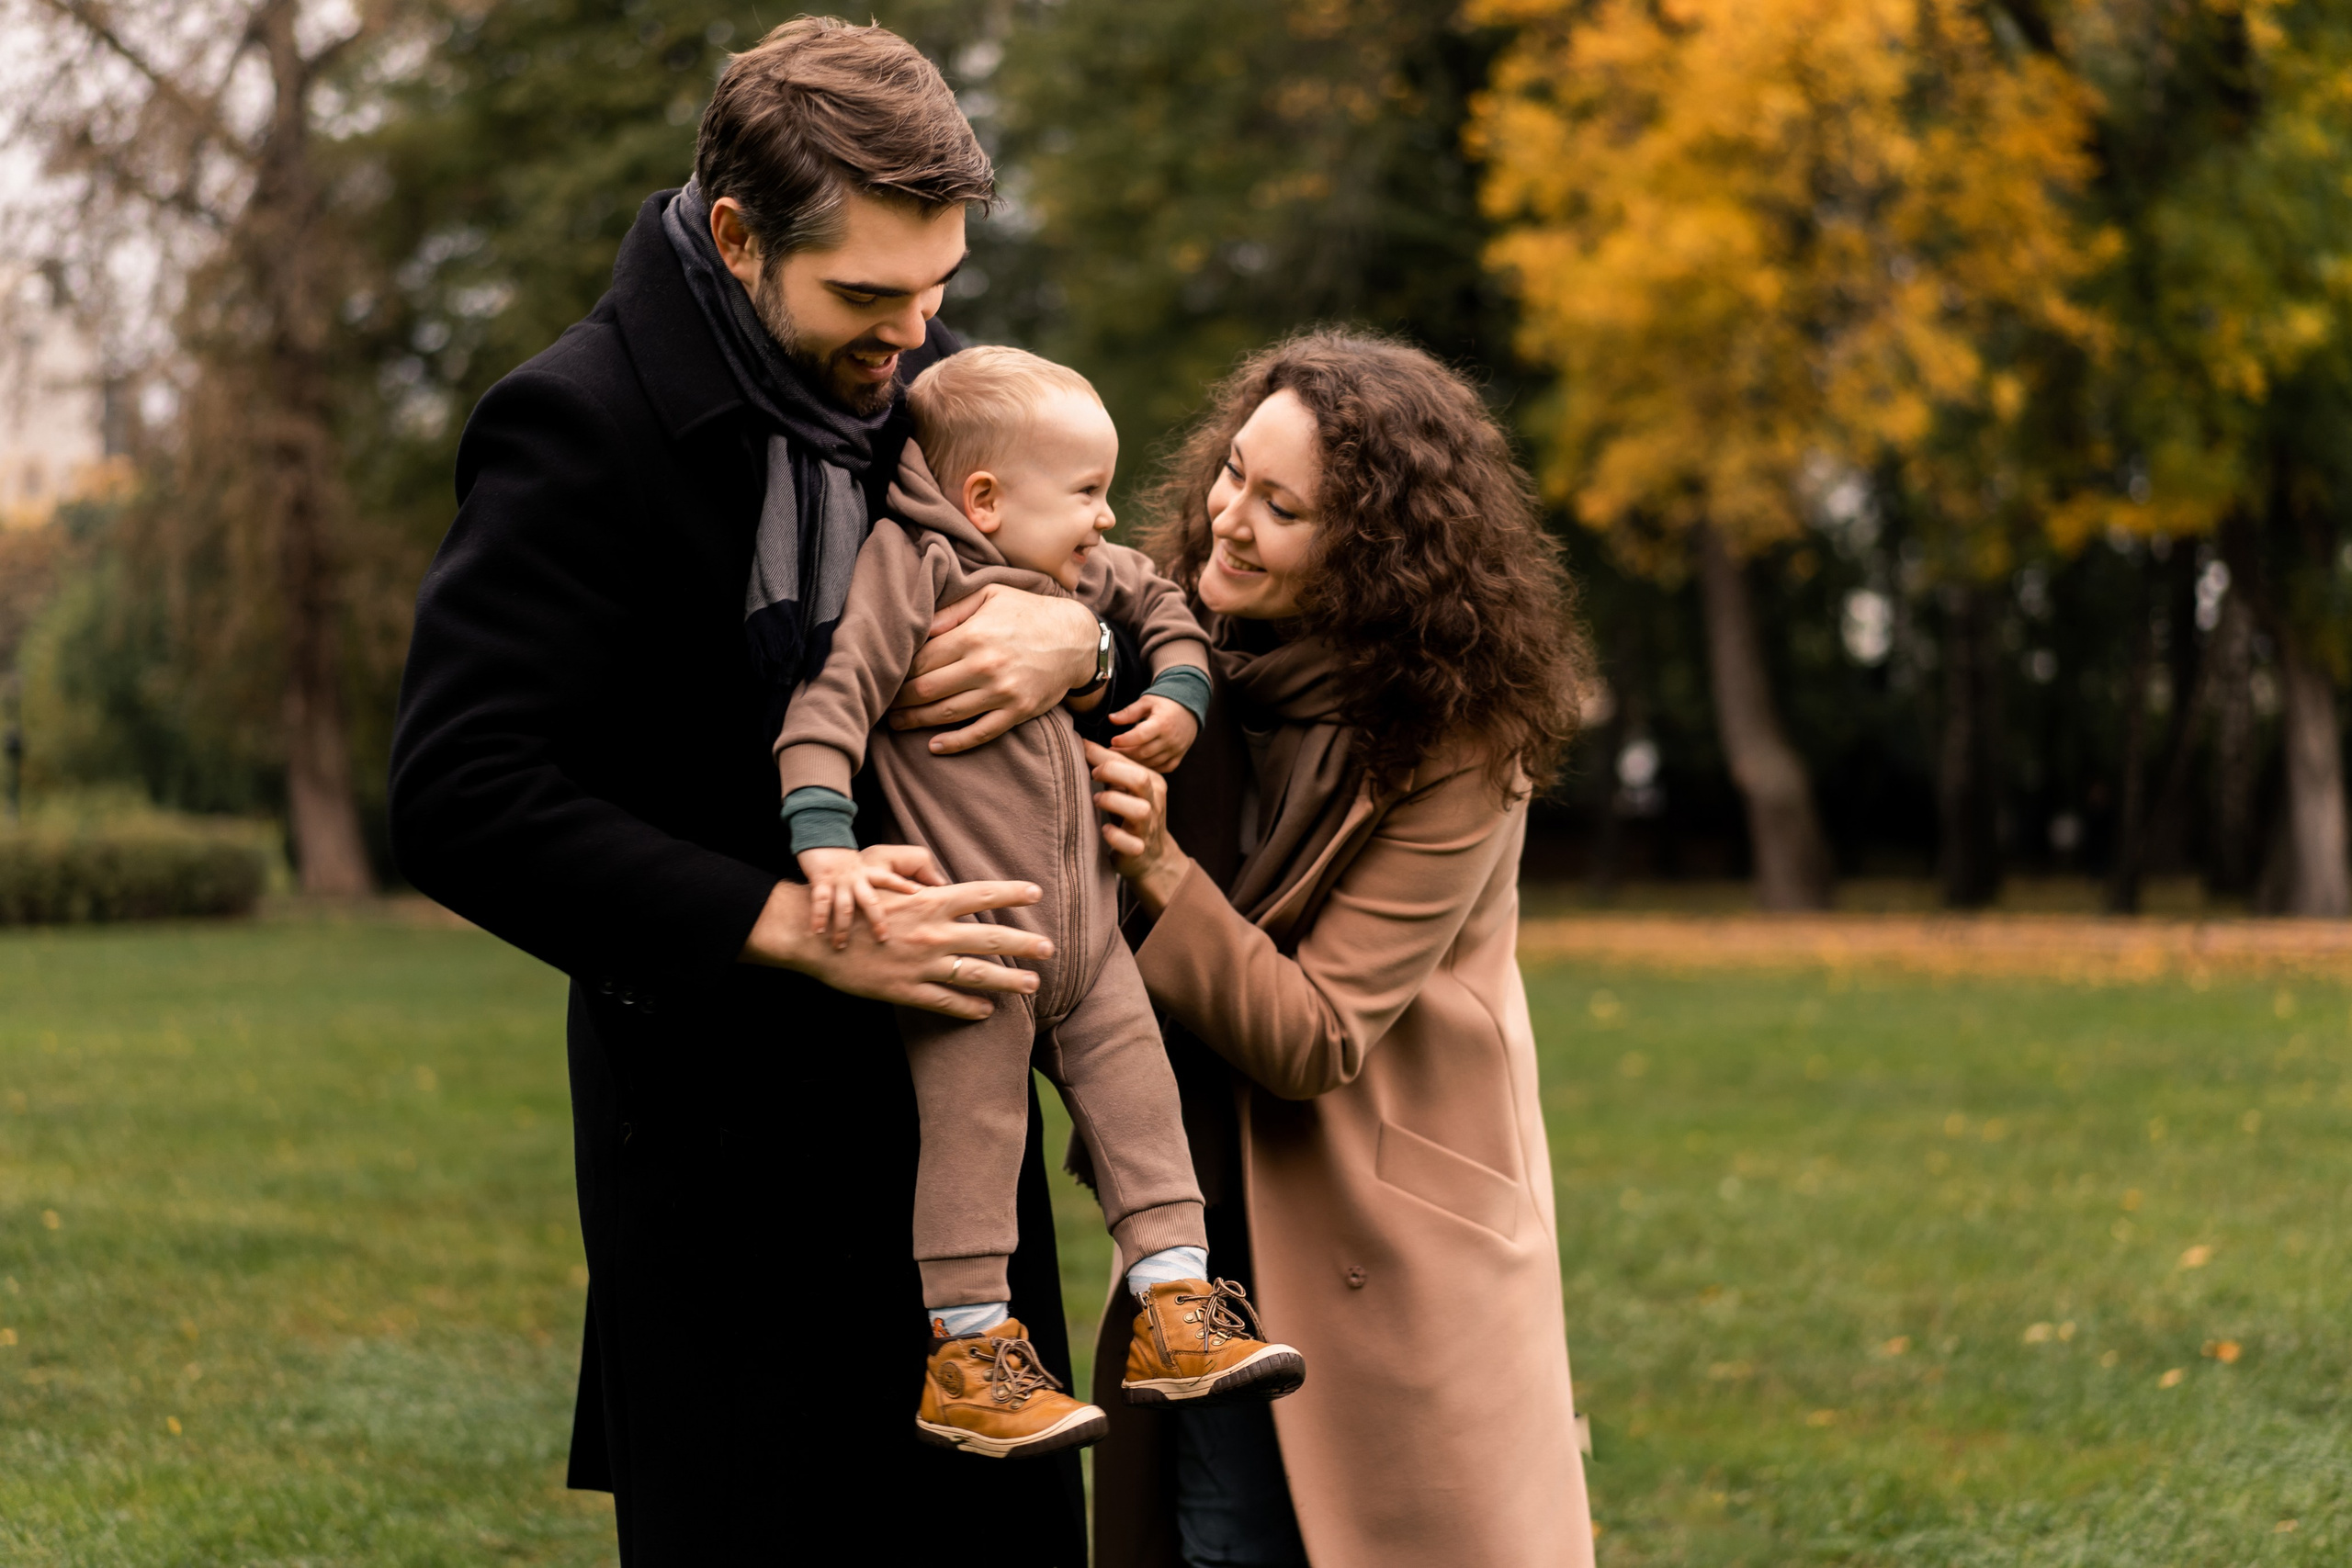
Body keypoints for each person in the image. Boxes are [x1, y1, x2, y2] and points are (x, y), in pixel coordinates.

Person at [390, 20, 1134, 1562]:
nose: (911, 335)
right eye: (868, 295)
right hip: (734, 1189)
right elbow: (460, 791)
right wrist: (788, 925)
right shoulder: (576, 430)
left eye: (937, 290)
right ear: (736, 238)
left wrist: (1079, 632)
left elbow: (1105, 567)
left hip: (960, 1160)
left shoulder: (923, 390)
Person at [1082, 331, 1600, 1567]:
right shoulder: (1182, 657)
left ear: (1373, 550)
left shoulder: (1459, 739)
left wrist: (1159, 865)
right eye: (1233, 476)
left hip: (1394, 1220)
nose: (1231, 520)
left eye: (1282, 506)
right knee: (1220, 1540)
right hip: (1212, 1220)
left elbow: (1315, 1035)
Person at [772, 345, 1302, 1459]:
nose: (1109, 520)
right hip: (978, 940)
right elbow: (830, 704)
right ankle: (969, 1354)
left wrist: (1176, 696)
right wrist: (824, 843)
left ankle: (1177, 1310)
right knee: (973, 1138)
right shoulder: (907, 571)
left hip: (1091, 939)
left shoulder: (1077, 576)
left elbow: (1167, 611)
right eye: (1088, 495)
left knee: (1143, 1114)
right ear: (985, 500)